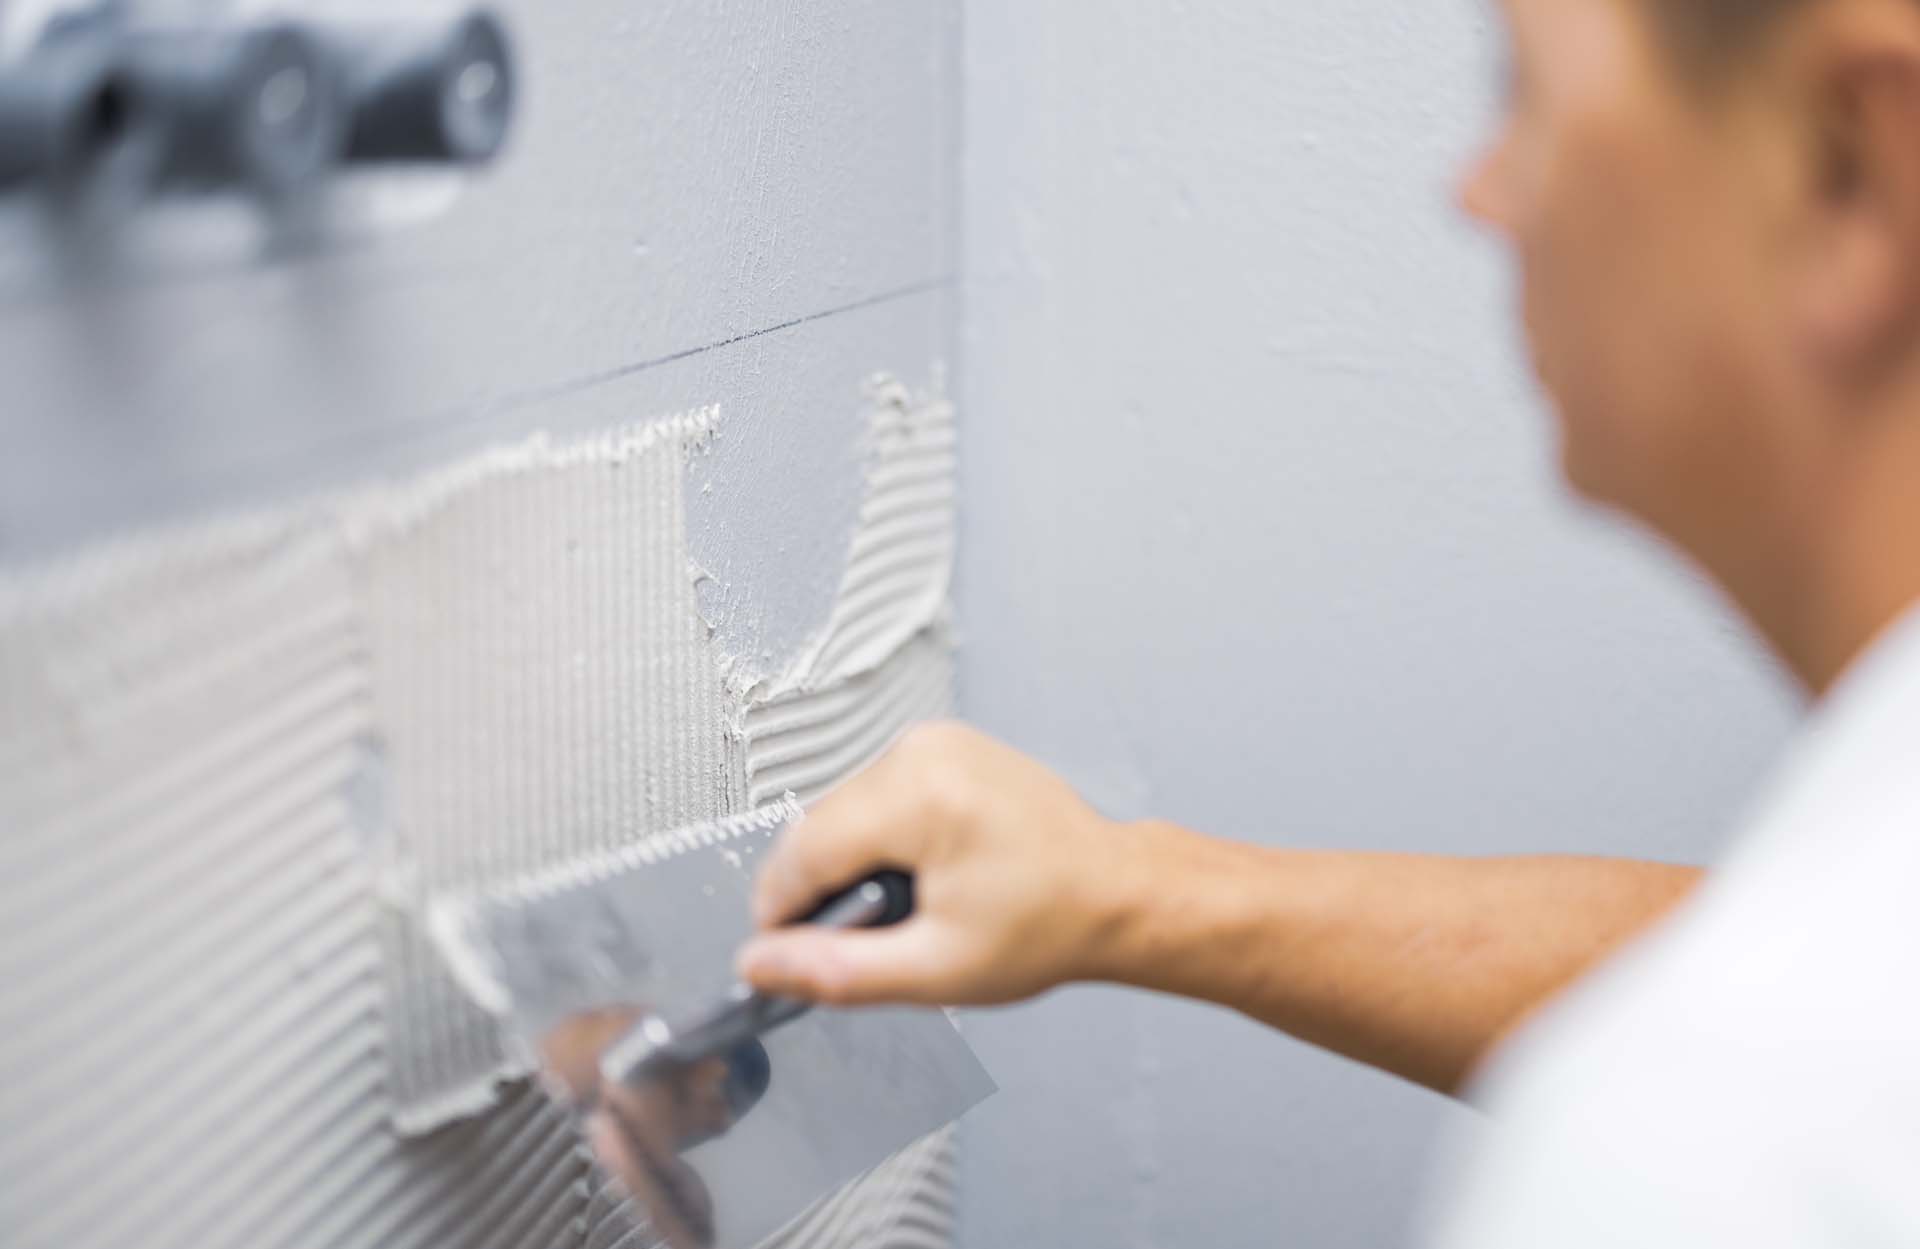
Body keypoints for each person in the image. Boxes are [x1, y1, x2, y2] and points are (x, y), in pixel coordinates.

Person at [643, 0, 1920, 1241]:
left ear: (1852, 165)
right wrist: (1123, 887)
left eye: (1523, 91)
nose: (1478, 192)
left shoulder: (1708, 1164)